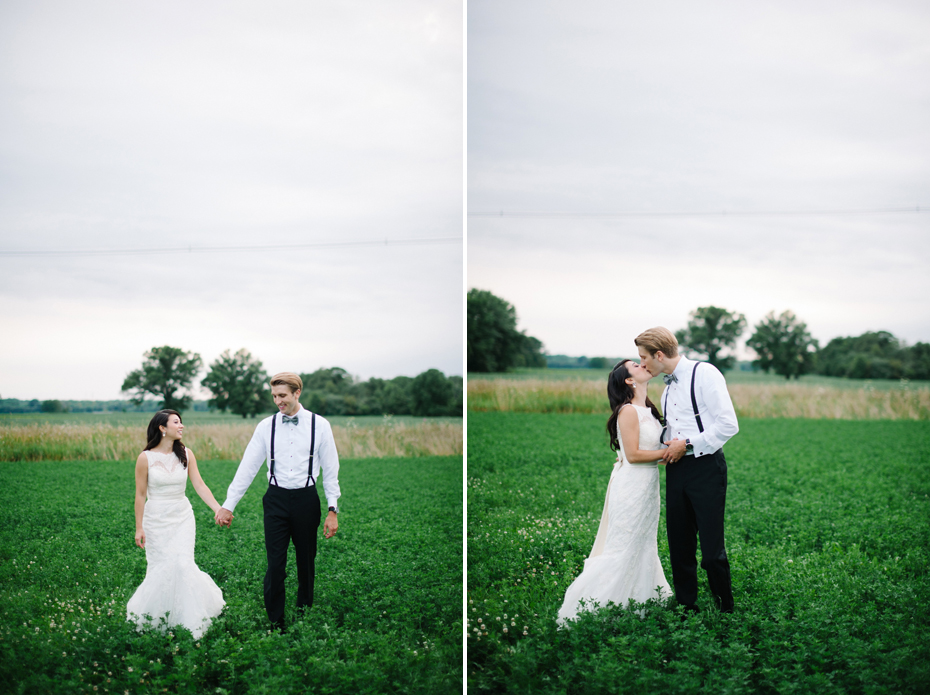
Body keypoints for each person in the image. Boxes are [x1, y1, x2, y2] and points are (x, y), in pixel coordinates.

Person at [214, 372, 341, 631]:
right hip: (275, 499)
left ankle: (304, 613)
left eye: (282, 395)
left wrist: (332, 509)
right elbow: (247, 467)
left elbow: (331, 469)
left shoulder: (320, 425)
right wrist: (228, 504)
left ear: (297, 393)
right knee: (275, 564)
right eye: (274, 396)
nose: (277, 401)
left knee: (306, 561)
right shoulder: (265, 426)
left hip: (307, 499)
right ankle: (276, 621)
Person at [558, 359, 672, 623]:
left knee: (643, 543)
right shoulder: (628, 411)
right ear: (629, 380)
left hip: (648, 485)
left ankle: (640, 602)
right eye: (635, 365)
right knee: (624, 544)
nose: (643, 364)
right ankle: (597, 607)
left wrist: (664, 454)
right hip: (632, 485)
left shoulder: (650, 410)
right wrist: (668, 453)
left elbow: (642, 451)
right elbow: (632, 455)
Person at [635, 326, 738, 614]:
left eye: (644, 358)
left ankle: (725, 608)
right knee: (679, 543)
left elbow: (729, 424)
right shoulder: (667, 389)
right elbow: (672, 432)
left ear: (658, 354)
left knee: (711, 549)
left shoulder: (705, 373)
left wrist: (688, 444)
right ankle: (685, 606)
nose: (642, 364)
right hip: (676, 469)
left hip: (706, 467)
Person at [127, 410, 225, 639]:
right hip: (156, 519)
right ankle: (156, 618)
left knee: (182, 563)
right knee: (161, 567)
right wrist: (139, 527)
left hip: (182, 516)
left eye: (181, 422)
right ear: (162, 428)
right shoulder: (145, 458)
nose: (181, 426)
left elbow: (199, 485)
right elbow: (140, 494)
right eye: (176, 422)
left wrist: (217, 508)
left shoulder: (187, 454)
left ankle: (190, 619)